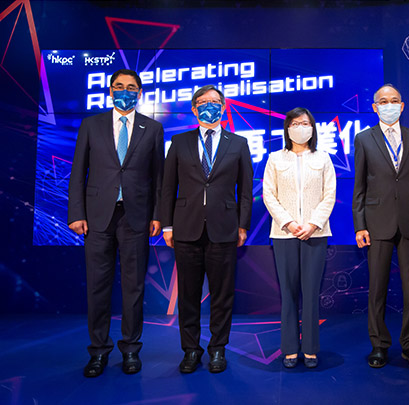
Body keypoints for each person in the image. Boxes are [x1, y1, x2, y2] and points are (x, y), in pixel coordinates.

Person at [68, 69, 164, 377]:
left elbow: (159, 177)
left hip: (136, 217)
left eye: (131, 87)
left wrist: (158, 215)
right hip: (97, 217)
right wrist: (76, 213)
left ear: (140, 93)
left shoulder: (153, 128)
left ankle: (131, 350)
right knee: (98, 286)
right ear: (110, 90)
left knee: (134, 287)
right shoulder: (91, 125)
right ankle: (98, 351)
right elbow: (78, 172)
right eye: (119, 86)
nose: (125, 91)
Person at [160, 85, 253, 374]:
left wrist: (242, 225)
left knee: (222, 294)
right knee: (188, 294)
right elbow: (167, 187)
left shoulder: (238, 143)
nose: (208, 106)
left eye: (214, 102)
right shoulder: (179, 141)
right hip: (185, 229)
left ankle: (217, 349)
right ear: (193, 108)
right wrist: (167, 224)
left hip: (224, 229)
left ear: (223, 107)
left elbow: (246, 190)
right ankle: (190, 349)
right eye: (202, 102)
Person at [352, 84, 409, 369]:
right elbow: (360, 187)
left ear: (402, 105)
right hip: (377, 224)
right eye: (383, 101)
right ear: (374, 107)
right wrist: (359, 225)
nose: (389, 105)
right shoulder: (364, 139)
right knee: (377, 288)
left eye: (394, 100)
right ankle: (379, 345)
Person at [262, 107, 336, 369]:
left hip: (316, 233)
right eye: (294, 123)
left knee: (311, 291)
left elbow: (330, 195)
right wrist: (290, 223)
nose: (300, 127)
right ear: (287, 128)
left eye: (305, 123)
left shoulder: (323, 158)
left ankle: (311, 348)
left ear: (313, 128)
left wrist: (313, 223)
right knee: (289, 292)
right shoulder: (275, 158)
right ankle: (290, 348)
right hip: (284, 234)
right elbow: (269, 194)